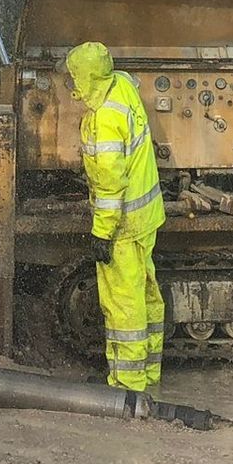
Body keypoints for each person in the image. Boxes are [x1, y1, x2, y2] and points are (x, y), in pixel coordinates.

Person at [65, 40, 166, 393]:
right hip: (147, 216)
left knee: (123, 306)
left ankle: (127, 384)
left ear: (89, 77)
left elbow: (110, 187)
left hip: (123, 225)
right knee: (147, 295)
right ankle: (149, 372)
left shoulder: (105, 118)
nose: (72, 84)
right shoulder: (122, 85)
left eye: (74, 76)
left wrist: (101, 234)